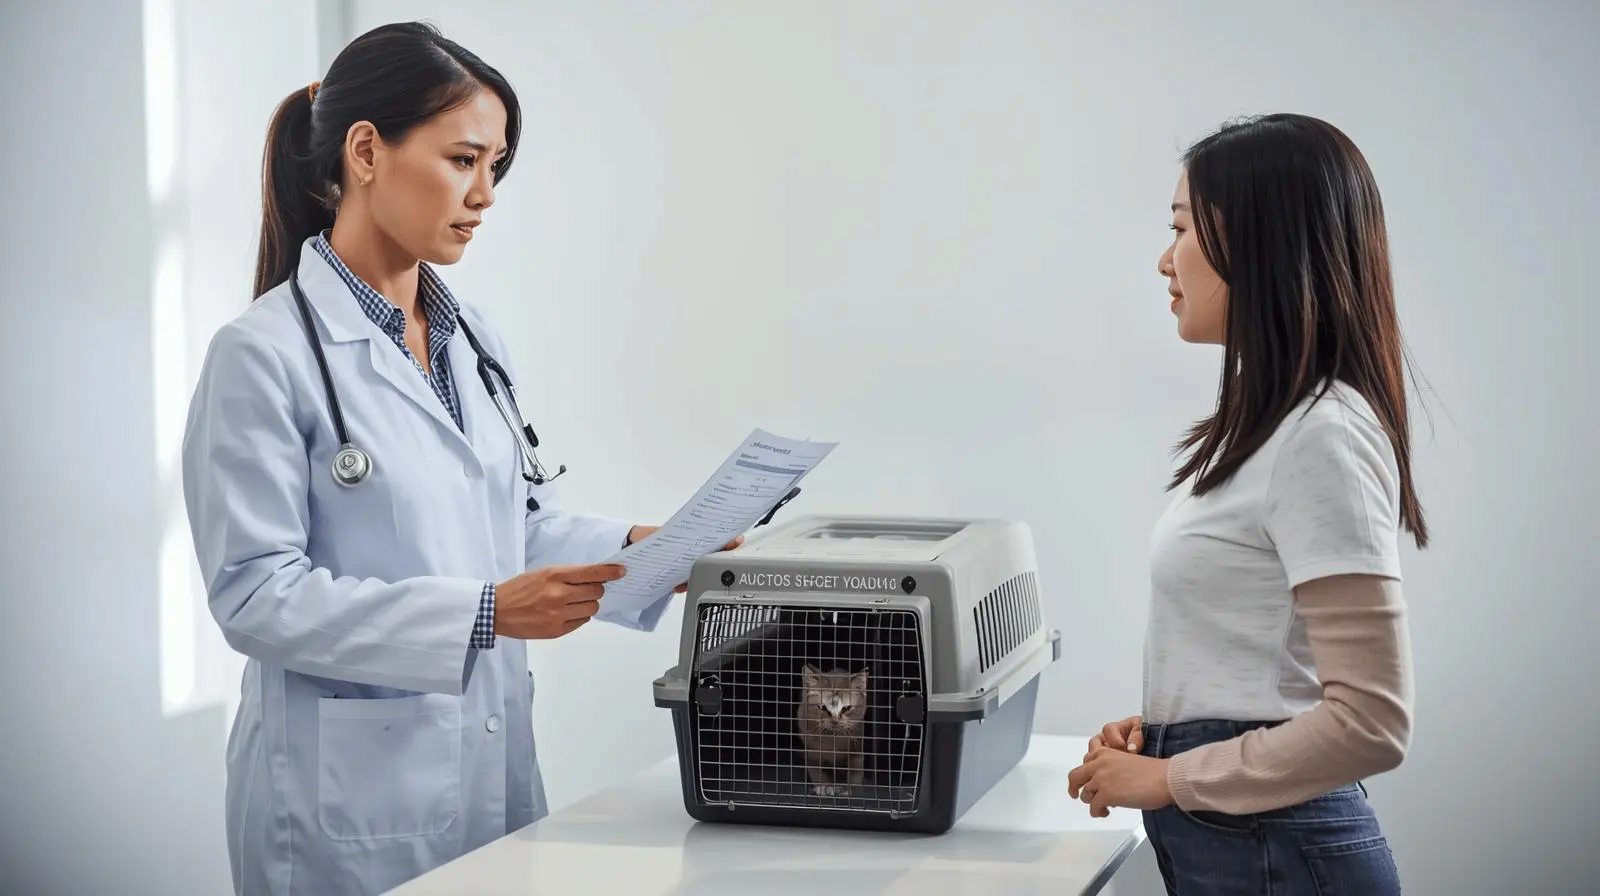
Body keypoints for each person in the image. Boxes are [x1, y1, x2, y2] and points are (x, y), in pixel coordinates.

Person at [181, 22, 738, 896]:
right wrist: (482, 615)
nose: (483, 194)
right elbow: (255, 597)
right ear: (366, 151)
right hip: (344, 809)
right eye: (462, 160)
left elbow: (506, 530)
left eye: (495, 168)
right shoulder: (263, 354)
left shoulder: (470, 338)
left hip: (487, 771)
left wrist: (647, 549)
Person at [1066, 113, 1424, 894]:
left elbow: (1372, 723)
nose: (1165, 260)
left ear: (1260, 241)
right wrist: (1163, 736)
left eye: (1183, 228)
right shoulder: (1272, 431)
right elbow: (1266, 670)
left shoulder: (1320, 435)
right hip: (1253, 846)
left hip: (1278, 853)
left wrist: (1170, 777)